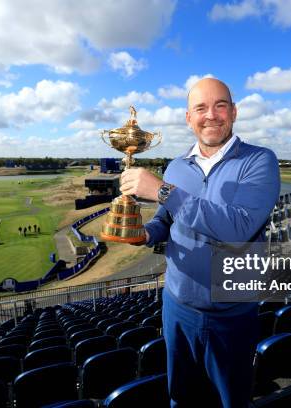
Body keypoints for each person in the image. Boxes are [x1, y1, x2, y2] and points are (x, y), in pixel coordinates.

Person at [120, 78, 280, 408]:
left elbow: (238, 227)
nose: (212, 115)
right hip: (177, 306)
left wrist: (162, 191)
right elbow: (165, 219)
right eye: (201, 108)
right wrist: (145, 234)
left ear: (234, 112)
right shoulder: (177, 166)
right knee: (182, 397)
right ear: (188, 118)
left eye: (220, 105)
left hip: (231, 313)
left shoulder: (259, 161)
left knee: (230, 400)